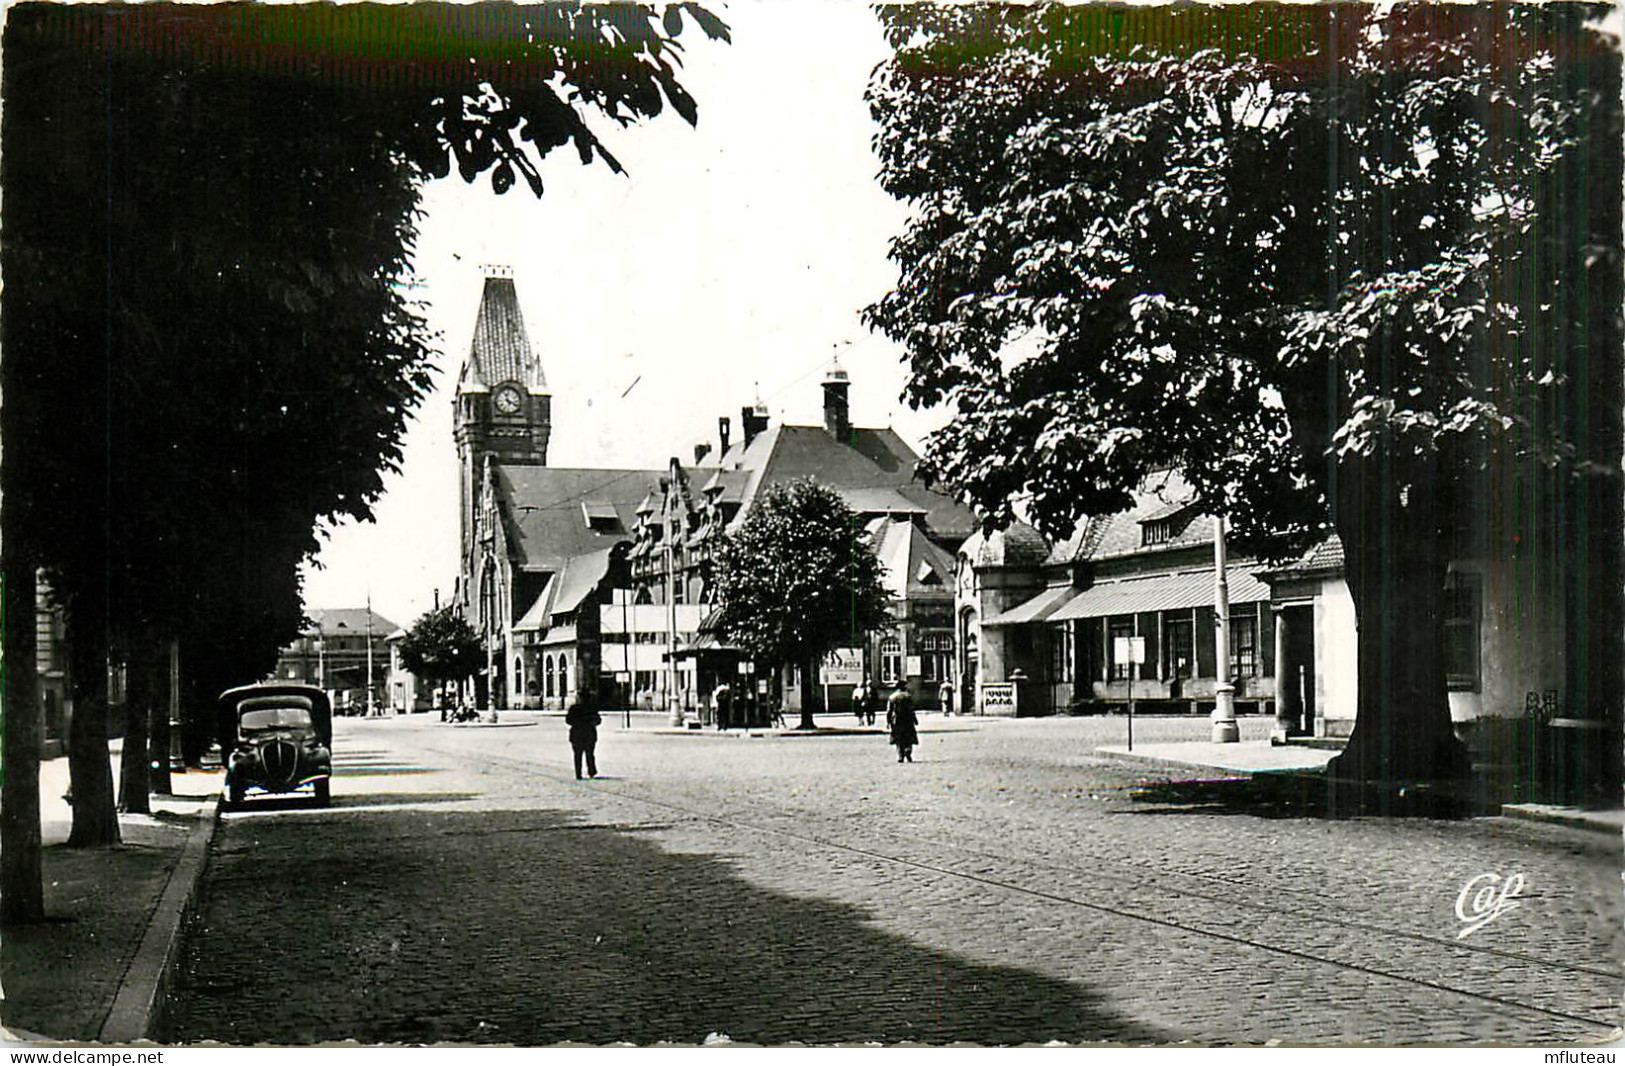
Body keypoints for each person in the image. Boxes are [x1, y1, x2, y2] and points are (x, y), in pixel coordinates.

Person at [566, 701, 601, 779]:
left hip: (576, 734)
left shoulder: (574, 708)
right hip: (589, 733)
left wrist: (576, 723)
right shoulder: (591, 708)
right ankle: (591, 771)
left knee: (577, 755)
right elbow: (598, 720)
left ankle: (578, 773)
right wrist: (591, 723)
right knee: (590, 754)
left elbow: (568, 720)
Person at [886, 684, 918, 763]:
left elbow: (889, 711)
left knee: (898, 738)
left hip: (896, 720)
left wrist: (888, 721)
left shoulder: (892, 697)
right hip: (907, 719)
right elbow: (912, 709)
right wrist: (915, 719)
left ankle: (900, 755)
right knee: (908, 736)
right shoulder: (908, 696)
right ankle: (908, 751)